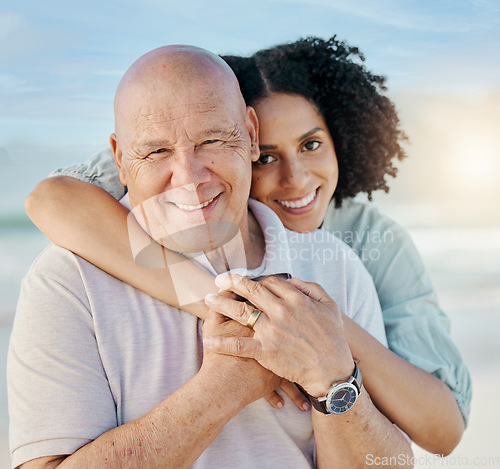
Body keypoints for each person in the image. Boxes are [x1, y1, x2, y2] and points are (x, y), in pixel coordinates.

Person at [26, 36, 471, 455]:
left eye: (311, 144)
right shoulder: (180, 165)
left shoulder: (363, 241)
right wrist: (240, 310)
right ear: (252, 144)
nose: (295, 178)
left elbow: (442, 430)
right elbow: (55, 198)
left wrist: (313, 331)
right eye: (269, 158)